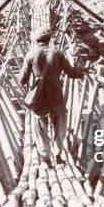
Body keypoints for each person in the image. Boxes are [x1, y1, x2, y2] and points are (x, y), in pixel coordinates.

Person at [19, 25, 87, 165]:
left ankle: (46, 156)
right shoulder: (58, 53)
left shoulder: (30, 55)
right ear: (49, 39)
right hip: (56, 95)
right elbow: (71, 73)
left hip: (39, 96)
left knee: (40, 125)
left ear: (37, 41)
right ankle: (58, 153)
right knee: (59, 125)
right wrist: (83, 71)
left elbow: (22, 80)